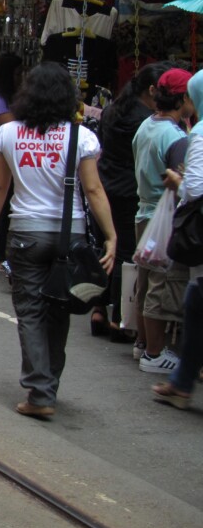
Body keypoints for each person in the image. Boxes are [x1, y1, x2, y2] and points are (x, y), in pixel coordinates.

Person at [0, 62, 116, 419]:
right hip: (68, 236)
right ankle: (48, 386)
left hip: (25, 232)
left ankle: (40, 392)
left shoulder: (7, 134)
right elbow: (93, 189)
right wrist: (112, 236)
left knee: (29, 311)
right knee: (59, 310)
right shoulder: (81, 137)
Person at [93, 62, 172, 338]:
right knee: (126, 254)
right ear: (152, 90)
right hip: (130, 190)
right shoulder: (147, 121)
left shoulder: (113, 110)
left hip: (105, 187)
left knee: (106, 247)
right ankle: (119, 318)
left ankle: (99, 308)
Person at [131, 67, 194, 374]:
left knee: (145, 284)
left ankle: (143, 344)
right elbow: (181, 182)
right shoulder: (175, 136)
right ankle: (154, 353)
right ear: (183, 98)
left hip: (144, 214)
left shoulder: (146, 126)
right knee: (158, 284)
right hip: (163, 219)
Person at [153, 69, 203, 409]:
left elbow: (196, 187)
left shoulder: (199, 132)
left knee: (196, 299)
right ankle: (182, 381)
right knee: (196, 301)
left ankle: (182, 382)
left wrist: (177, 181)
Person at [0, 53, 24, 272]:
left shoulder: (9, 98)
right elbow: (11, 125)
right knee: (3, 197)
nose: (21, 77)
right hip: (5, 156)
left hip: (16, 156)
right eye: (17, 73)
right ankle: (0, 250)